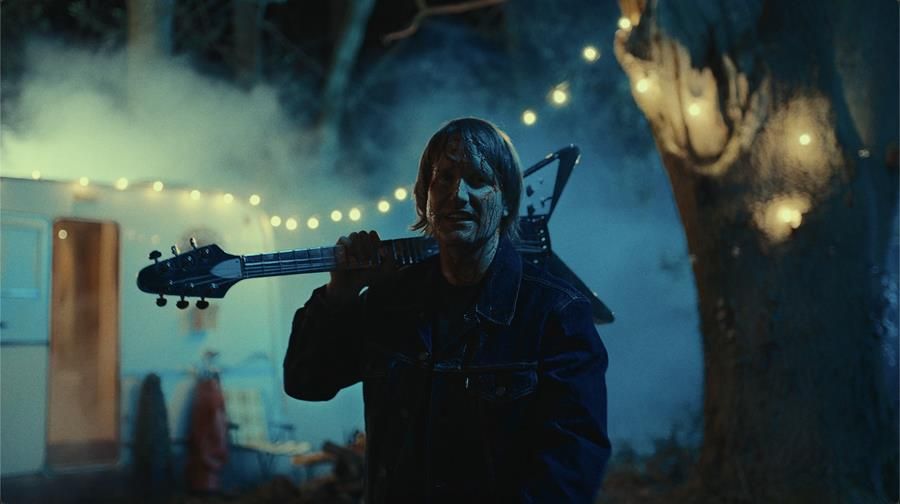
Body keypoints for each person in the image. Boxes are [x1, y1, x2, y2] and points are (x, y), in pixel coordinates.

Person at [284, 117, 610, 502]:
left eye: (478, 179)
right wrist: (339, 296)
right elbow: (306, 382)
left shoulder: (554, 313)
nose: (458, 194)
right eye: (444, 179)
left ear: (507, 199)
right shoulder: (391, 301)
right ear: (424, 197)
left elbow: (572, 464)